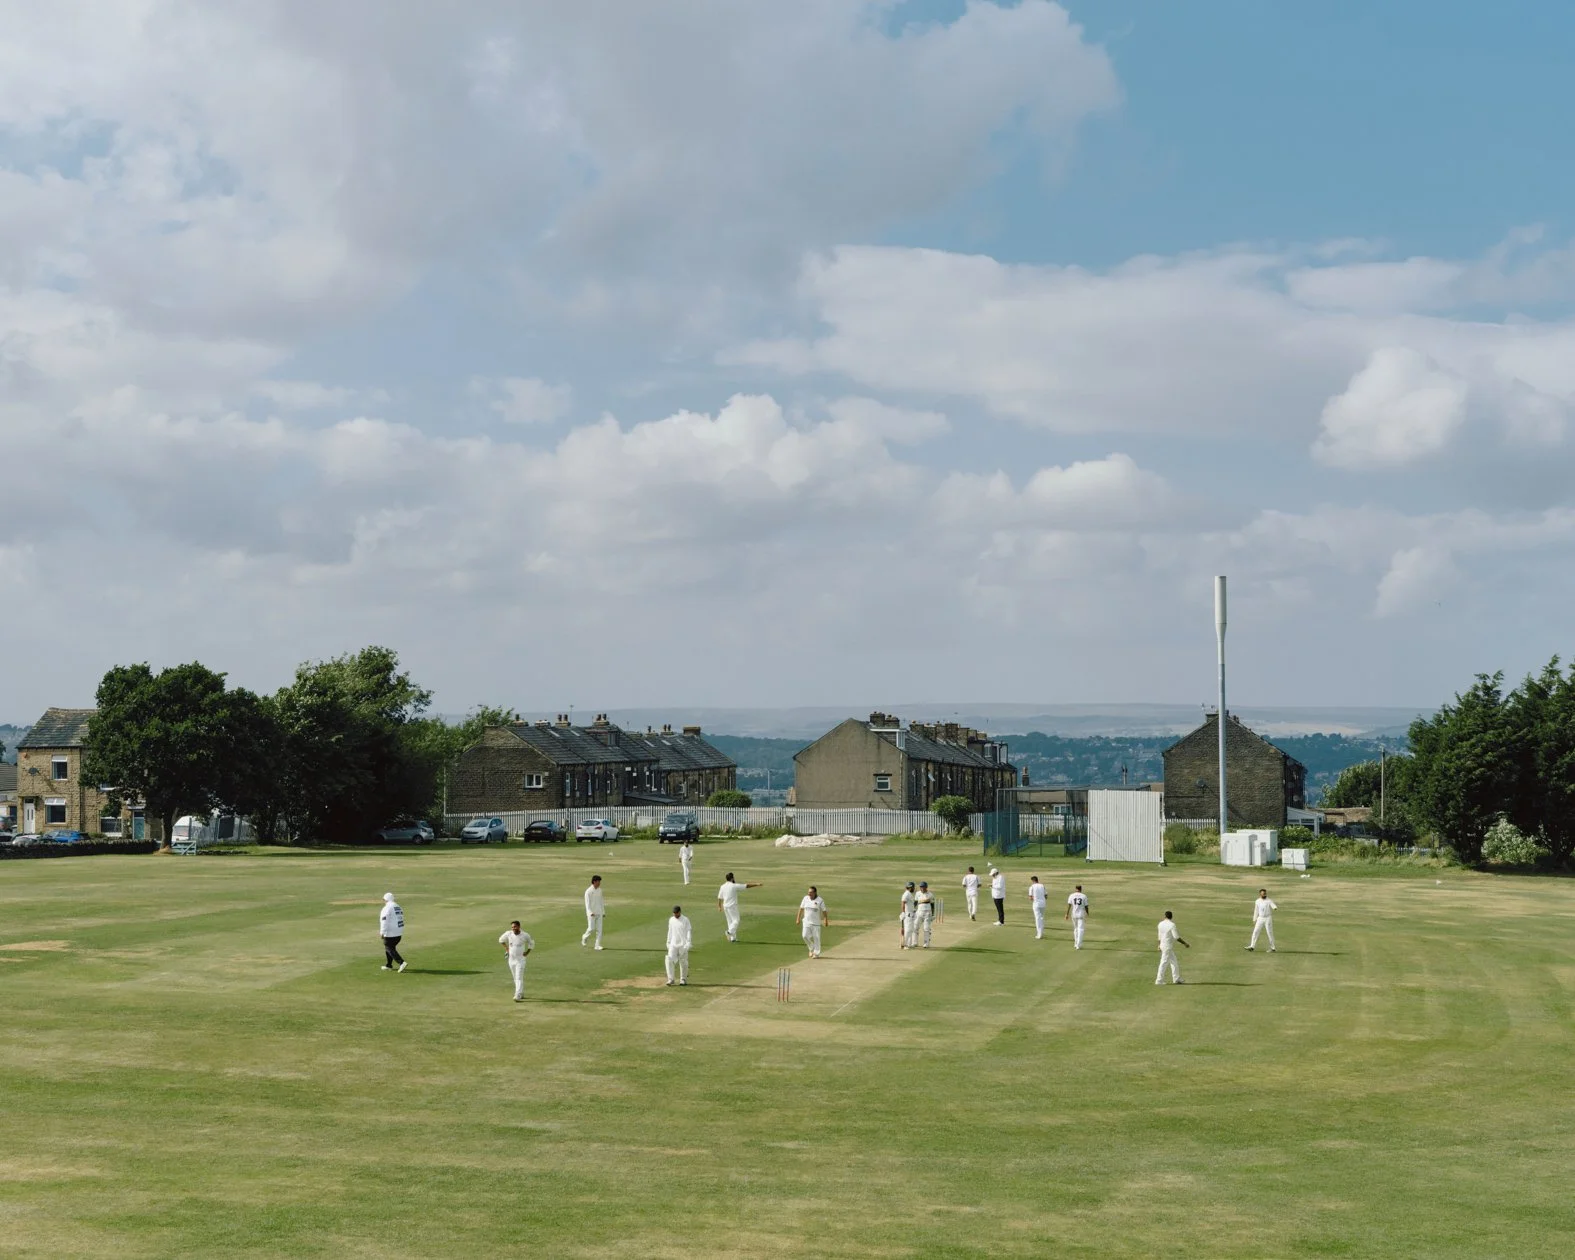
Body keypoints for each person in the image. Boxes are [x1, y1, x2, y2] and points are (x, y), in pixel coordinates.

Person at [716, 873, 761, 942]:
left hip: (725, 906)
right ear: (732, 878)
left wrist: (719, 906)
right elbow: (746, 886)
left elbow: (719, 897)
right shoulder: (733, 886)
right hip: (732, 906)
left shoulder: (722, 886)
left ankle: (733, 938)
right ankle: (729, 932)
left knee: (730, 922)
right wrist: (756, 884)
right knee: (736, 920)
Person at [498, 920, 534, 1001]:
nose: (513, 928)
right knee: (515, 978)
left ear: (519, 926)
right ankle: (521, 993)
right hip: (511, 960)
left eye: (515, 927)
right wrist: (506, 948)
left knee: (518, 977)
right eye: (512, 927)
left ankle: (517, 995)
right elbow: (501, 940)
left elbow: (531, 943)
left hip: (520, 960)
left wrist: (527, 952)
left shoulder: (525, 935)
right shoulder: (509, 933)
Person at [1155, 910, 1189, 985]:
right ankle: (1159, 980)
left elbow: (1159, 936)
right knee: (1163, 962)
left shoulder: (1160, 924)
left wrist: (1158, 945)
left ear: (1165, 916)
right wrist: (1185, 943)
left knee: (1174, 962)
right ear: (1171, 917)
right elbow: (1176, 937)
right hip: (1167, 947)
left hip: (1163, 945)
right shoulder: (1172, 925)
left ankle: (1176, 979)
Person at [796, 885, 829, 958]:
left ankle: (816, 953)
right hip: (806, 922)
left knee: (816, 938)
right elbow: (801, 908)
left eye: (811, 892)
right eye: (808, 892)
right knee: (804, 936)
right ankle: (811, 948)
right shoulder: (805, 898)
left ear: (815, 893)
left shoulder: (820, 900)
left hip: (816, 923)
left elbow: (824, 911)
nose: (809, 894)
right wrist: (798, 918)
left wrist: (825, 920)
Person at [665, 905, 692, 985]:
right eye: (674, 913)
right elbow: (670, 931)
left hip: (682, 944)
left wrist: (688, 942)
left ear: (680, 912)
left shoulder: (685, 920)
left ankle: (683, 979)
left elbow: (688, 931)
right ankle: (671, 979)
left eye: (676, 913)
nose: (675, 915)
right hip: (673, 943)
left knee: (683, 961)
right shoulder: (671, 920)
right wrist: (668, 941)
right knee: (669, 959)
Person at [379, 892, 406, 972]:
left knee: (388, 947)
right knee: (390, 948)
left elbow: (384, 920)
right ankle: (389, 965)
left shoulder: (387, 908)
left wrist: (382, 932)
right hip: (399, 932)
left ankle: (401, 962)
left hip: (391, 932)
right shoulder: (398, 906)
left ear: (386, 899)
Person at [581, 875, 606, 950]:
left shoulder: (600, 890)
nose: (599, 883)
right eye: (598, 881)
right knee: (591, 928)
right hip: (591, 914)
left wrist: (603, 912)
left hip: (599, 912)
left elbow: (601, 901)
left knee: (599, 930)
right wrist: (590, 912)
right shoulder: (588, 891)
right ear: (594, 882)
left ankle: (597, 945)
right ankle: (584, 937)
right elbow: (587, 904)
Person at [911, 881, 935, 949]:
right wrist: (912, 910)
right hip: (919, 912)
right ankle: (914, 942)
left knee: (926, 929)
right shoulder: (917, 893)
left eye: (923, 887)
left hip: (927, 913)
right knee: (915, 927)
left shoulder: (930, 894)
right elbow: (915, 903)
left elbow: (932, 905)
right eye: (921, 887)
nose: (922, 888)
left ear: (926, 887)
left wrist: (933, 914)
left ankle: (926, 943)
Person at [1065, 884, 1090, 949]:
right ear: (1081, 889)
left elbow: (1069, 905)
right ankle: (1078, 945)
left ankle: (1076, 943)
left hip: (1074, 914)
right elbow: (1086, 906)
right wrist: (1087, 913)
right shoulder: (1084, 896)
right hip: (1081, 914)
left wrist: (1066, 914)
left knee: (1075, 929)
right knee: (1081, 929)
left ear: (1075, 889)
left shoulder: (1071, 895)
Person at [1028, 875, 1048, 939]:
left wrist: (1034, 898)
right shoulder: (1042, 886)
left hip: (1036, 904)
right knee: (1041, 918)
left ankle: (1039, 934)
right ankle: (1041, 932)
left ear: (1033, 881)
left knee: (1037, 919)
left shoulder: (1032, 887)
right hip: (1043, 904)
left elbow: (1030, 898)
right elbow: (1046, 896)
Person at [899, 881, 917, 948]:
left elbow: (911, 904)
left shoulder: (909, 894)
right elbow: (903, 903)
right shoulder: (906, 894)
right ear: (910, 887)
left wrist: (914, 910)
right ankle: (905, 944)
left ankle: (909, 944)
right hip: (908, 914)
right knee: (908, 929)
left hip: (911, 914)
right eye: (913, 887)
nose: (914, 889)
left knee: (911, 929)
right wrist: (903, 912)